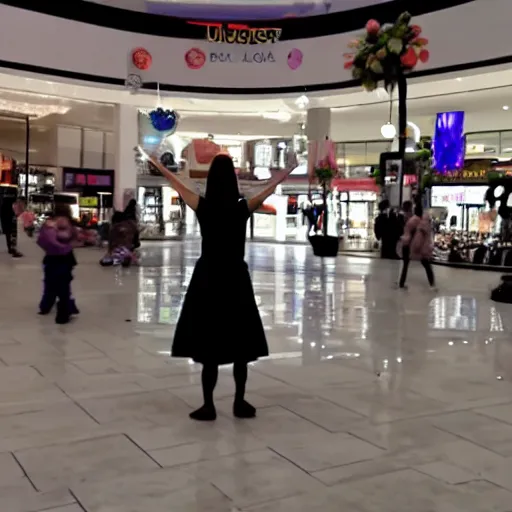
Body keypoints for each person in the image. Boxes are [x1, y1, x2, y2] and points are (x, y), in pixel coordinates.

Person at [146, 149, 296, 421]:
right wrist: (287, 170)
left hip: (208, 278)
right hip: (235, 277)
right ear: (233, 179)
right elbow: (271, 188)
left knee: (210, 343)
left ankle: (208, 405)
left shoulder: (203, 206)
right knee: (240, 343)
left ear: (212, 178)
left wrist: (157, 164)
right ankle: (240, 402)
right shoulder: (242, 207)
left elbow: (176, 184)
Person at [37, 203, 79, 324]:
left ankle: (45, 307)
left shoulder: (49, 224)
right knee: (64, 287)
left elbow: (41, 240)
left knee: (49, 283)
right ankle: (63, 314)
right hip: (65, 258)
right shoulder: (69, 224)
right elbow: (74, 238)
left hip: (50, 258)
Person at [399, 203, 436, 290]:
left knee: (406, 265)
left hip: (408, 244)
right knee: (426, 264)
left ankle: (401, 283)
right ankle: (432, 284)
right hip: (414, 245)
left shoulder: (413, 220)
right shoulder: (420, 221)